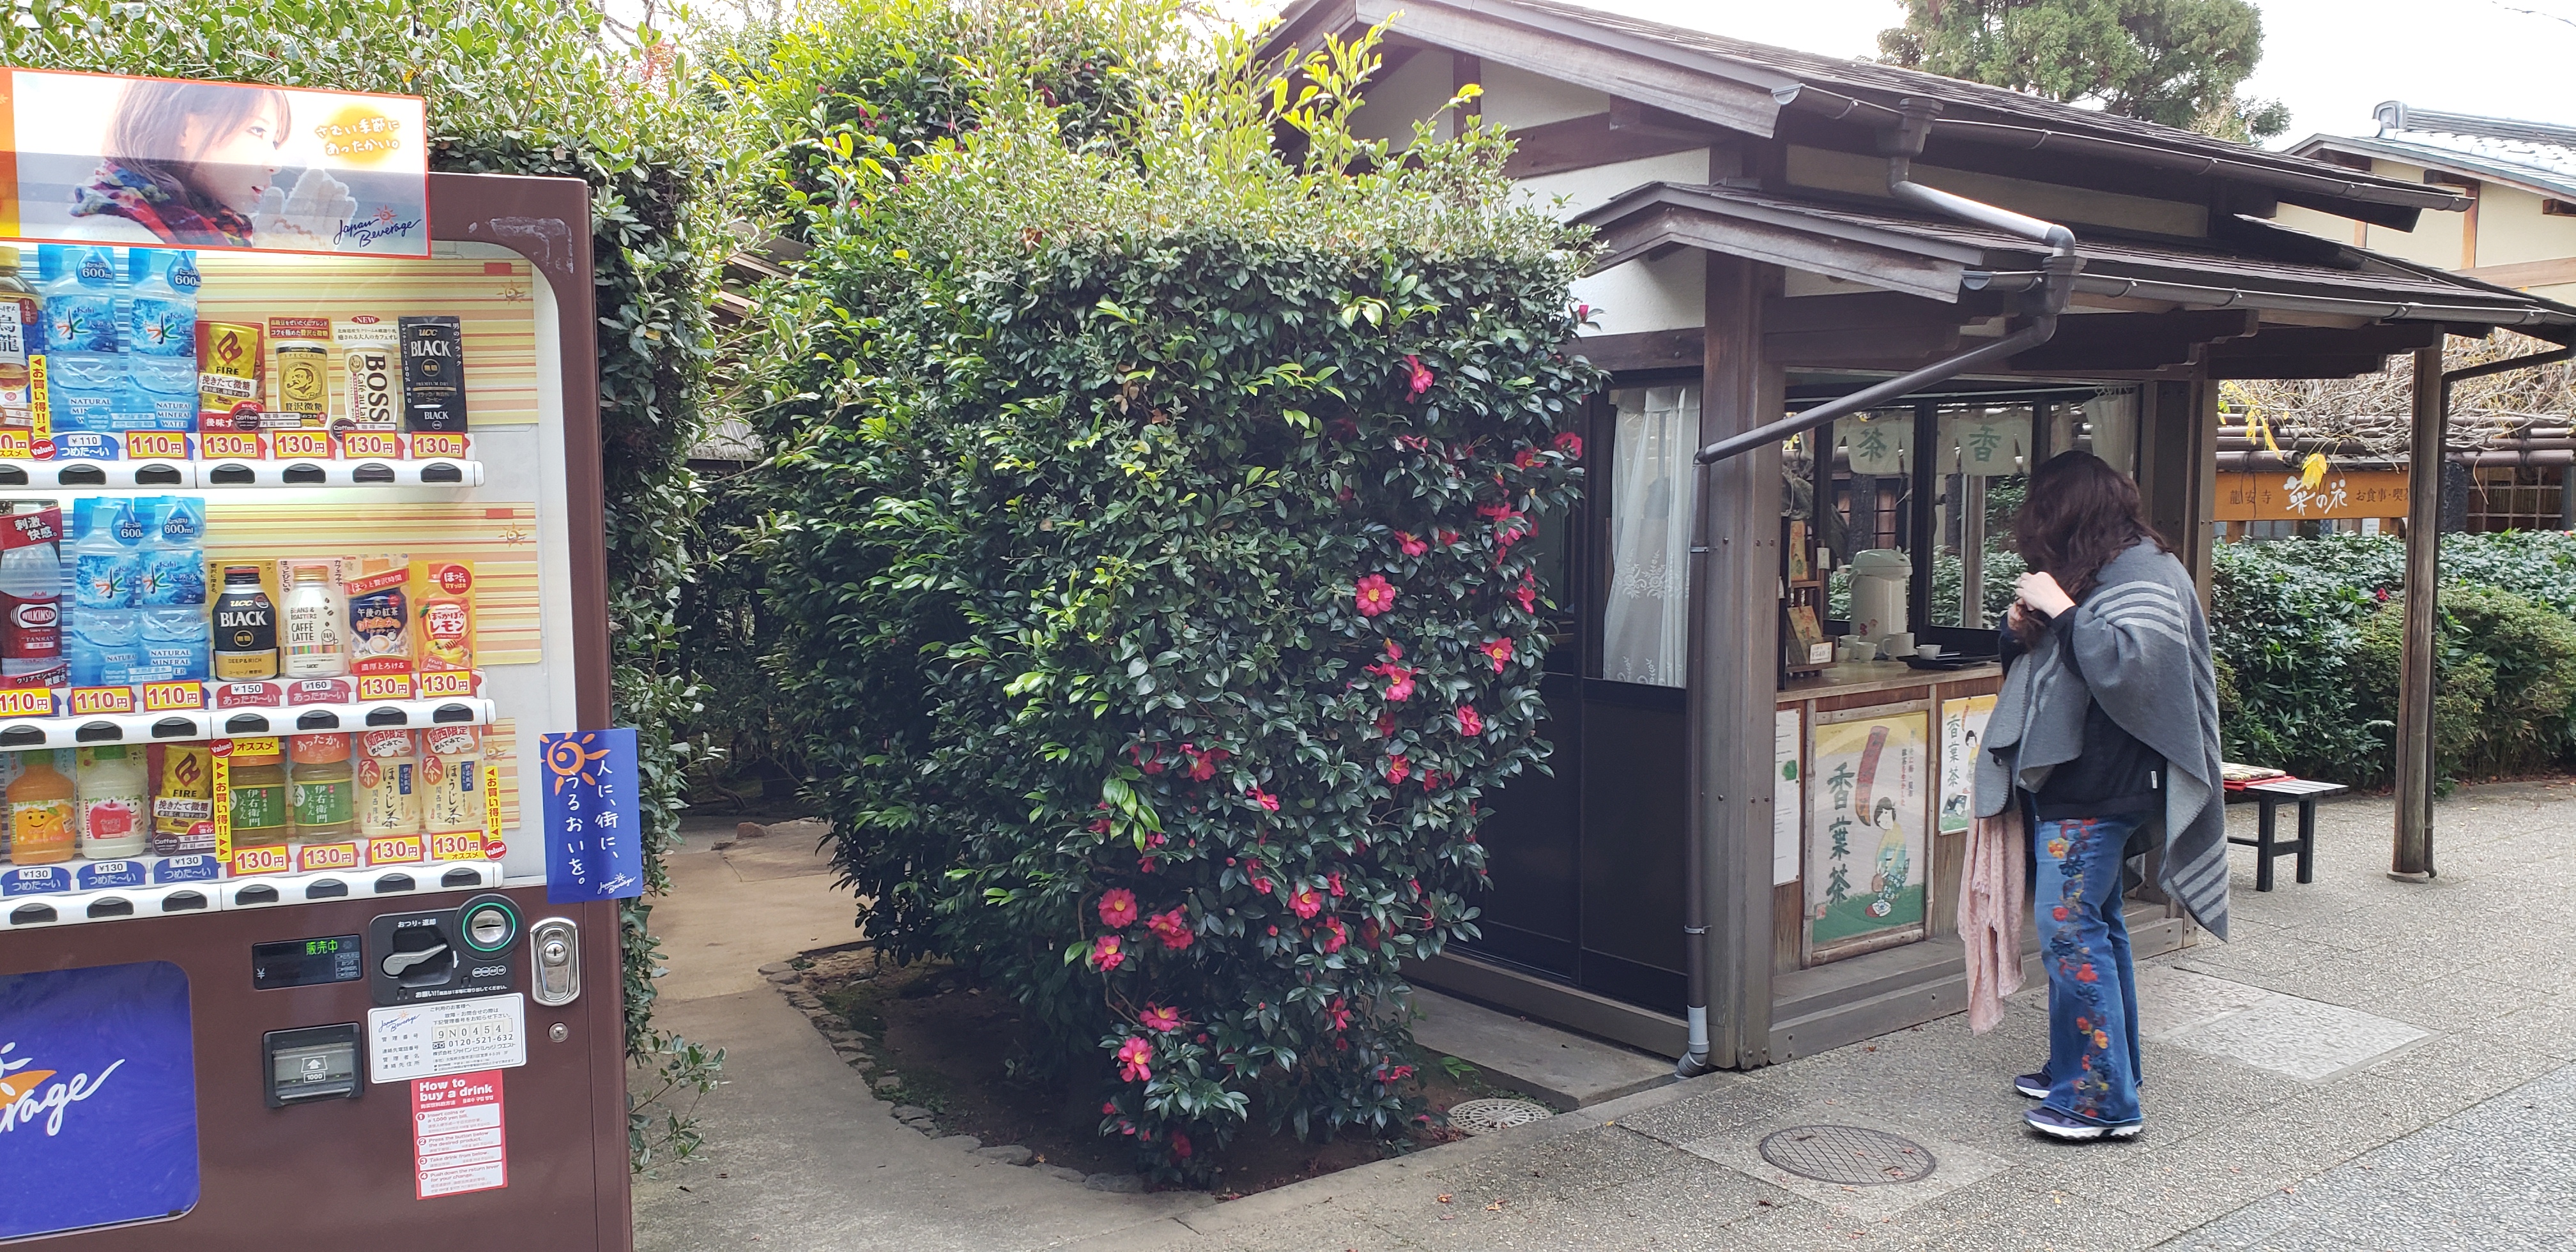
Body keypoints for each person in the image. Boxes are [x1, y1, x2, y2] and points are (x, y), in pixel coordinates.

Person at [1972, 451, 2228, 1143]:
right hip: (2078, 781)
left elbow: (2135, 673)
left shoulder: (2146, 571)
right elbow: (2056, 667)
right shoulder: (2102, 566)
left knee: (2069, 930)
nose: (2033, 523)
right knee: (2096, 926)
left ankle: (2100, 1103)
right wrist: (2023, 625)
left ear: (2071, 510)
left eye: (2042, 508)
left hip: (2105, 784)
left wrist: (2060, 609)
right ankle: (2095, 1069)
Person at [64, 79, 351, 249]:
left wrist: (281, 265)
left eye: (275, 142)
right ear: (184, 129)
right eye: (257, 131)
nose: (275, 163)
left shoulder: (221, 232)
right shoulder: (109, 237)